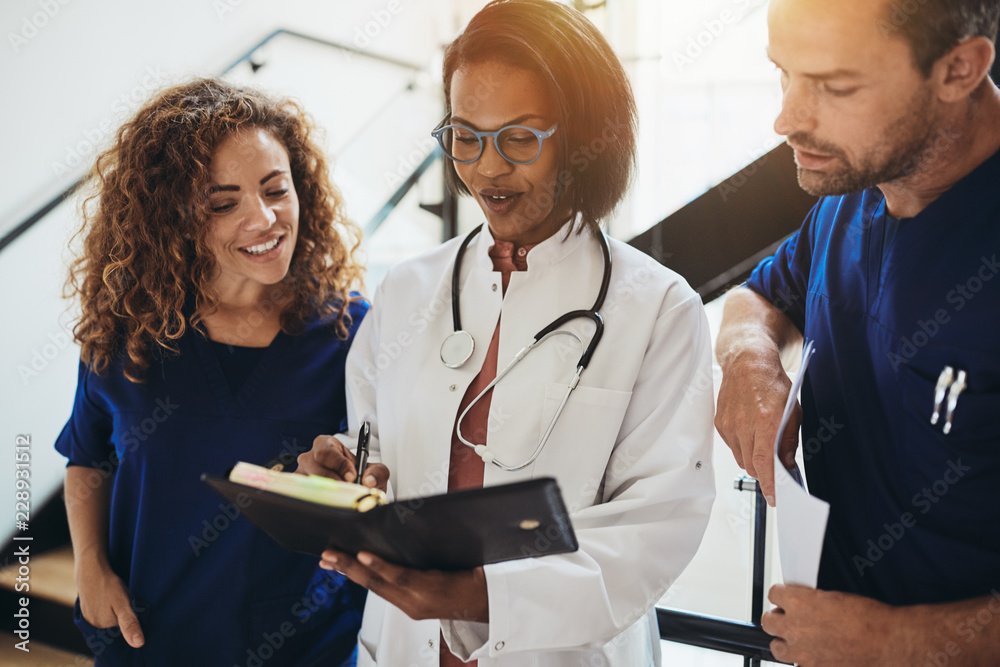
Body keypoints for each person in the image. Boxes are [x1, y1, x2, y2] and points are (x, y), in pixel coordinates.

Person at [295, 1, 716, 665]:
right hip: (406, 645)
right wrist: (341, 474)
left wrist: (481, 595)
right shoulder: (406, 290)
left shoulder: (659, 309)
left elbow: (655, 527)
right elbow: (378, 440)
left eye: (519, 139)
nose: (487, 169)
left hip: (558, 649)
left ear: (581, 137)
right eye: (466, 136)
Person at [714, 0, 1000, 664]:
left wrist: (895, 642)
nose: (786, 118)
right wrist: (748, 358)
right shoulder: (851, 189)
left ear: (960, 68)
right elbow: (758, 297)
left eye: (836, 87)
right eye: (783, 73)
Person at [57, 78, 368, 666]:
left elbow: (381, 476)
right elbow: (87, 457)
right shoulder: (125, 331)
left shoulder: (351, 334)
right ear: (171, 218)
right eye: (222, 203)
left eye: (276, 189)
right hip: (150, 638)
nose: (264, 219)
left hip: (304, 647)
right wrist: (90, 567)